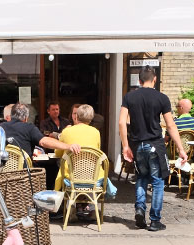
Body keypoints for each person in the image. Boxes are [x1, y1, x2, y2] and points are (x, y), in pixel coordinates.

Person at [119, 66, 187, 232]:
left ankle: (140, 209)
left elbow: (121, 122)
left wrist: (125, 146)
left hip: (137, 145)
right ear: (155, 79)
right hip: (155, 145)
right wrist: (180, 148)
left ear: (139, 80)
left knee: (141, 177)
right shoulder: (162, 98)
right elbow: (170, 125)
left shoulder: (129, 97)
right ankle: (155, 220)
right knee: (157, 181)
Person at [53, 104, 117, 218]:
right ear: (91, 118)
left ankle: (70, 207)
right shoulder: (96, 132)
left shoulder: (67, 131)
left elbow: (58, 153)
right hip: (93, 177)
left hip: (72, 177)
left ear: (76, 116)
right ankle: (91, 208)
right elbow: (96, 151)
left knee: (62, 170)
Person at [0, 103, 81, 159]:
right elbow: (44, 142)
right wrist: (68, 146)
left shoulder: (0, 128)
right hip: (24, 173)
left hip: (2, 173)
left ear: (11, 115)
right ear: (26, 117)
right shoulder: (29, 127)